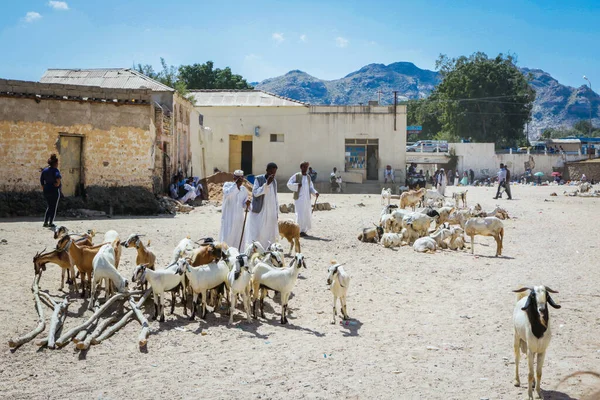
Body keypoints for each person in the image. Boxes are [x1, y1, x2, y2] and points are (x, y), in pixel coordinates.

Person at [246, 162, 279, 249]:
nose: (273, 174)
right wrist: (266, 184)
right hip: (260, 211)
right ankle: (257, 249)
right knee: (258, 231)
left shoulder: (274, 182)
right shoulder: (259, 179)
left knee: (269, 231)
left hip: (271, 211)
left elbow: (275, 198)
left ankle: (268, 248)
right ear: (267, 170)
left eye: (274, 172)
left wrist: (276, 212)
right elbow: (255, 193)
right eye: (271, 172)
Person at [220, 170, 251, 248]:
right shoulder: (227, 185)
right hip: (228, 217)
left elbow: (244, 204)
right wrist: (235, 185)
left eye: (241, 178)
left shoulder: (244, 189)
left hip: (239, 218)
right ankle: (225, 254)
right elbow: (227, 193)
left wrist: (247, 203)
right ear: (234, 177)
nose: (239, 180)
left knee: (238, 236)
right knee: (227, 236)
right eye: (237, 177)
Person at [287, 162, 319, 237]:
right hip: (299, 199)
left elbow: (311, 187)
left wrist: (315, 192)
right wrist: (296, 185)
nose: (306, 169)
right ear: (301, 167)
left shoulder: (308, 177)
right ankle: (298, 230)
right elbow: (289, 184)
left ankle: (303, 230)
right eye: (304, 167)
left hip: (307, 199)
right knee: (300, 214)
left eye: (307, 167)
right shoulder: (297, 175)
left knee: (306, 214)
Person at [40, 153, 62, 228]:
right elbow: (58, 178)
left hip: (46, 190)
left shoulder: (45, 170)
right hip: (54, 190)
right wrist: (58, 184)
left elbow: (41, 180)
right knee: (53, 207)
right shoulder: (55, 170)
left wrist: (44, 187)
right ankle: (51, 222)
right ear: (55, 163)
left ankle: (45, 222)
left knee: (49, 206)